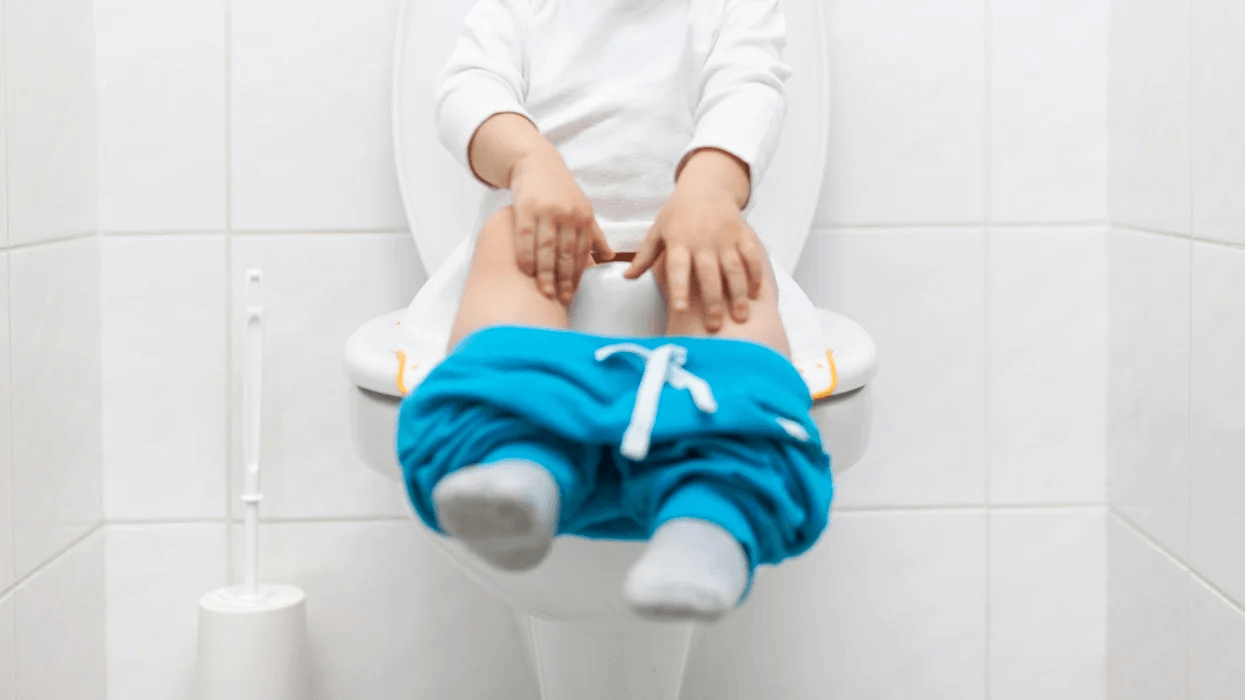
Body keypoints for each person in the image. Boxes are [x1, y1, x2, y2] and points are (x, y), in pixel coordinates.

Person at [396, 0, 833, 622]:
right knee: (506, 239)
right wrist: (528, 161)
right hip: (547, 249)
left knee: (733, 269)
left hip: (690, 250)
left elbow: (748, 87)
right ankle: (520, 464)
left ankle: (710, 519)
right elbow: (470, 88)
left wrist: (708, 190)